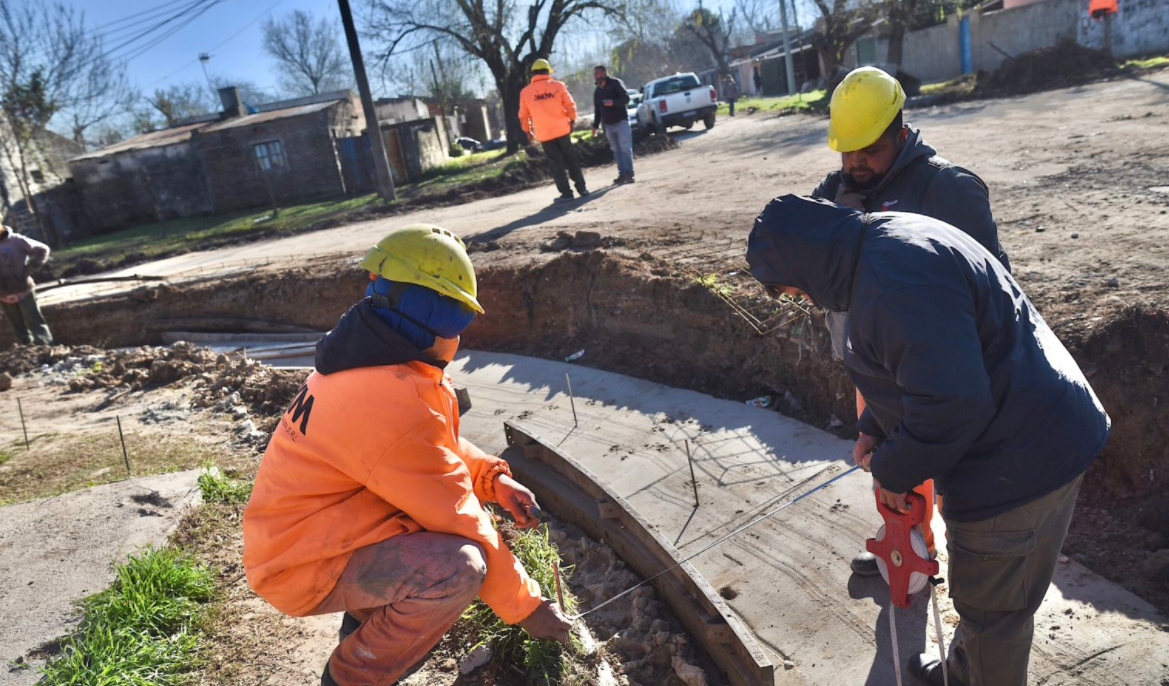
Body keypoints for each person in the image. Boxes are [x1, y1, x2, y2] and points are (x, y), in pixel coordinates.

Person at [747, 195, 1110, 686]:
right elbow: (920, 362)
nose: (805, 301)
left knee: (992, 612)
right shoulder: (884, 243)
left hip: (1018, 461)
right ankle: (966, 669)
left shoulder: (892, 288)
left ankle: (980, 672)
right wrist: (877, 424)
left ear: (806, 266)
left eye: (796, 291)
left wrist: (894, 468)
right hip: (1038, 422)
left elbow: (951, 403)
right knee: (989, 603)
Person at [243, 225, 572, 686]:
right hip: (299, 565)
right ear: (437, 318)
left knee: (420, 523)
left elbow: (422, 448)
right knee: (457, 566)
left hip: (305, 537)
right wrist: (529, 607)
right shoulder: (389, 398)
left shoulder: (371, 363)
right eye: (459, 320)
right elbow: (457, 513)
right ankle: (350, 678)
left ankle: (362, 635)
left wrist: (492, 478)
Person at [811, 66, 1011, 577]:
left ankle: (969, 560)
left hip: (938, 365)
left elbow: (992, 284)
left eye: (870, 150)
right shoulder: (837, 194)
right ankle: (906, 541)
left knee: (953, 463)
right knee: (887, 461)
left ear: (902, 134)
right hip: (873, 362)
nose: (855, 162)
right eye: (847, 150)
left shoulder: (947, 190)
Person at [518, 58, 590, 203]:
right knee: (571, 159)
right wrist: (572, 120)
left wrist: (527, 131)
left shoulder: (525, 92)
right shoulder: (558, 86)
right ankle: (582, 188)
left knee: (556, 164)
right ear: (547, 71)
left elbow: (524, 116)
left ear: (533, 73)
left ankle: (566, 193)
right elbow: (570, 105)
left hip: (544, 134)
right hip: (562, 130)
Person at [0, 224, 52, 346]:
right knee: (18, 328)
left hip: (23, 289)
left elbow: (43, 249)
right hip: (2, 293)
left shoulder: (16, 240)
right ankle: (26, 354)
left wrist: (31, 267)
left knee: (35, 323)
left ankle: (46, 349)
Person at [590, 64, 634, 185]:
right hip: (608, 125)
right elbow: (597, 110)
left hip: (621, 121)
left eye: (598, 73)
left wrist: (613, 102)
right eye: (594, 74)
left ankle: (629, 173)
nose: (596, 76)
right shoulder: (597, 92)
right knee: (616, 150)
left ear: (604, 73)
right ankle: (622, 174)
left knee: (625, 147)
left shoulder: (615, 83)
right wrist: (595, 126)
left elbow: (626, 99)